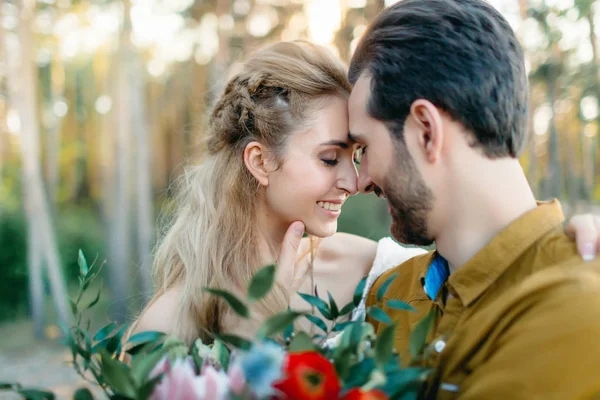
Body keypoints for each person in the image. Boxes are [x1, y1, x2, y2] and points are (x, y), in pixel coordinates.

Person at [133, 40, 600, 349]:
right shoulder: (172, 322)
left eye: (357, 156)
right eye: (330, 158)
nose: (354, 182)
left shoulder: (376, 276)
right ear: (259, 161)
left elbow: (495, 281)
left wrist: (562, 246)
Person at [344, 0, 600, 397]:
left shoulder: (581, 311)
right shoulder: (389, 295)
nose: (360, 181)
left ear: (426, 130)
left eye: (364, 148)